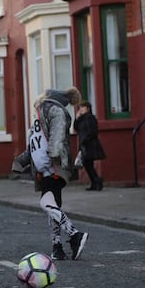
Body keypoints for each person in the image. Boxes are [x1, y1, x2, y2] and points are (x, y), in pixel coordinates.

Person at [12, 87, 89, 261]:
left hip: (54, 166)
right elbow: (34, 144)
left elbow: (58, 135)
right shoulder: (40, 117)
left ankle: (74, 234)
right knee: (53, 206)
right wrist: (21, 161)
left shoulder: (53, 110)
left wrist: (53, 155)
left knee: (46, 202)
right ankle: (57, 247)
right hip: (44, 169)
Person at [73, 101, 106, 191]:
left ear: (87, 108)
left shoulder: (90, 118)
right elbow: (76, 128)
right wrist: (76, 118)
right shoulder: (82, 119)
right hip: (84, 144)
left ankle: (97, 181)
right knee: (87, 165)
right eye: (80, 108)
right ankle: (95, 182)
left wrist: (85, 140)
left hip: (90, 144)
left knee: (88, 164)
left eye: (82, 108)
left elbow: (92, 132)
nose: (81, 110)